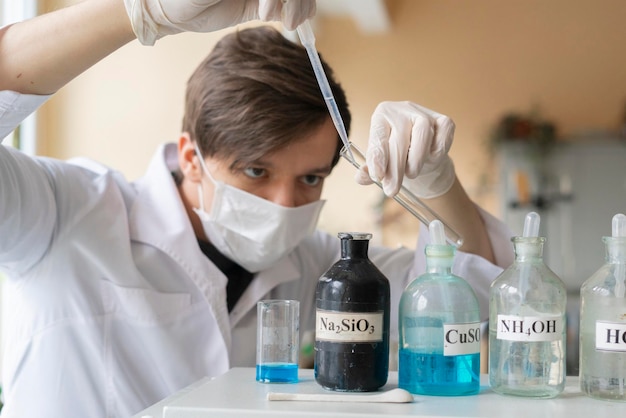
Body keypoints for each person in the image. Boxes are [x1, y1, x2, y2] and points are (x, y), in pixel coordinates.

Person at [0, 0, 512, 417]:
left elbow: (475, 298)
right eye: (256, 172)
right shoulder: (65, 212)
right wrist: (139, 11)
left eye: (310, 178)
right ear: (190, 158)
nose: (286, 204)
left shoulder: (314, 265)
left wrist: (438, 184)